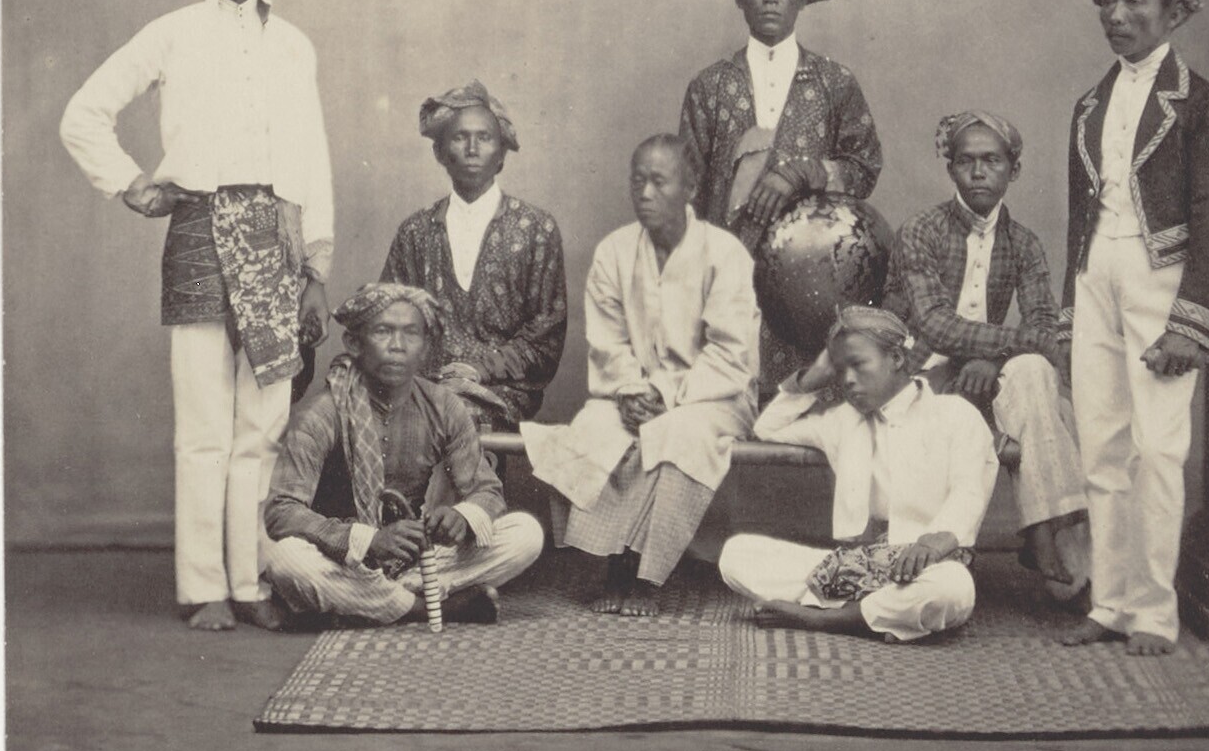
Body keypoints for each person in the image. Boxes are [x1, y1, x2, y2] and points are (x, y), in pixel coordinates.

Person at [59, 0, 334, 632]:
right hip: (201, 233)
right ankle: (204, 585)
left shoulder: (293, 45)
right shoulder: (173, 33)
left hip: (277, 241)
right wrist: (130, 183)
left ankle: (251, 581)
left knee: (263, 424)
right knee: (205, 423)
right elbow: (84, 113)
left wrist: (315, 267)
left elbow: (311, 159)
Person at [1057, 0, 1209, 656]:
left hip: (1163, 276)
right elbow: (1079, 216)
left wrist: (1191, 322)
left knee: (1157, 449)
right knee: (1102, 447)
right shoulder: (1088, 104)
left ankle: (1155, 612)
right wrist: (1071, 312)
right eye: (1109, 1)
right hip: (1096, 273)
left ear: (1172, 11)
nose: (1117, 14)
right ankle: (1110, 601)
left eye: (1134, 1)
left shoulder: (1202, 102)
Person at [521, 135, 759, 616]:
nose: (645, 194)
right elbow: (607, 342)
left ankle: (647, 575)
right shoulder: (614, 251)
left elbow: (730, 353)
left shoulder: (724, 253)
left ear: (691, 187)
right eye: (638, 181)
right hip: (630, 392)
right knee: (596, 426)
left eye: (659, 182)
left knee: (677, 434)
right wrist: (631, 389)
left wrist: (664, 393)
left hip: (714, 397)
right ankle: (612, 562)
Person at [882, 111, 1089, 604]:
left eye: (992, 161)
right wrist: (999, 351)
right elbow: (933, 323)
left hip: (983, 382)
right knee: (1049, 404)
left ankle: (1041, 529)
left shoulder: (1024, 243)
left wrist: (993, 364)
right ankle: (1049, 541)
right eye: (966, 161)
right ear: (951, 169)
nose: (978, 173)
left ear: (1013, 170)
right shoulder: (922, 230)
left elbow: (1044, 328)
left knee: (1035, 373)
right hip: (919, 377)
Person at [264, 284, 544, 627]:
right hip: (342, 557)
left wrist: (462, 516)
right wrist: (368, 540)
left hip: (412, 559)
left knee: (525, 534)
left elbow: (487, 490)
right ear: (354, 343)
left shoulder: (443, 406)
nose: (397, 345)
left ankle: (366, 602)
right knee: (286, 560)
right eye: (383, 331)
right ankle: (430, 608)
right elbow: (282, 511)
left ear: (425, 349)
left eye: (411, 334)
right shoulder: (322, 413)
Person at [678, 0, 882, 394]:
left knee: (811, 409)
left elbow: (864, 165)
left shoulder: (834, 82)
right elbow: (687, 195)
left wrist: (806, 172)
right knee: (727, 411)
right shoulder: (709, 87)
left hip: (815, 283)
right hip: (729, 283)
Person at [718, 307, 997, 642]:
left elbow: (969, 492)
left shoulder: (954, 414)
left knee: (953, 590)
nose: (847, 379)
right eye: (840, 370)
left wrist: (933, 543)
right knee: (736, 554)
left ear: (896, 358)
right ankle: (882, 613)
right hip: (851, 566)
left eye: (858, 364)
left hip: (928, 565)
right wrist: (814, 376)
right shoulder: (841, 421)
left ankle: (827, 618)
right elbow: (767, 428)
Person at [381, 80, 567, 433]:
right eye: (459, 137)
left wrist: (478, 370)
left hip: (499, 389)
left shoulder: (535, 229)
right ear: (439, 152)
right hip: (421, 383)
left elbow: (545, 338)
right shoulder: (415, 232)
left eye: (484, 138)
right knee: (342, 403)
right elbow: (388, 315)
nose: (471, 149)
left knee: (446, 417)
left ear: (502, 153)